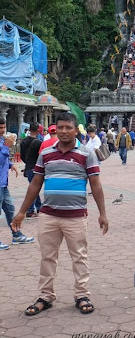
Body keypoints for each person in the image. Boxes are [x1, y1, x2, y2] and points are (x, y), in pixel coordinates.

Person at [12, 113, 109, 315]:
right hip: (49, 216)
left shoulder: (85, 153)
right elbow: (35, 184)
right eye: (60, 127)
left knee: (79, 257)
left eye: (68, 127)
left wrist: (103, 213)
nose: (64, 131)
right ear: (55, 129)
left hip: (75, 216)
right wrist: (22, 212)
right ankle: (45, 297)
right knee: (47, 257)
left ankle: (82, 295)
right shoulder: (46, 152)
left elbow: (96, 185)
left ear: (76, 130)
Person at [0, 119, 33, 249]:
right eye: (0, 127)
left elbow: (4, 161)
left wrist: (11, 164)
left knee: (10, 209)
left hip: (3, 184)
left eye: (3, 127)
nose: (2, 130)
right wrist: (7, 147)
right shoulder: (4, 143)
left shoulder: (2, 141)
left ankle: (17, 234)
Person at [19, 122, 42, 219]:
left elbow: (22, 156)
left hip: (29, 167)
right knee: (34, 189)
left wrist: (27, 163)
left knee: (34, 188)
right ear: (38, 130)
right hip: (36, 168)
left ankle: (39, 207)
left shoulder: (23, 142)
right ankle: (30, 210)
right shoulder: (38, 143)